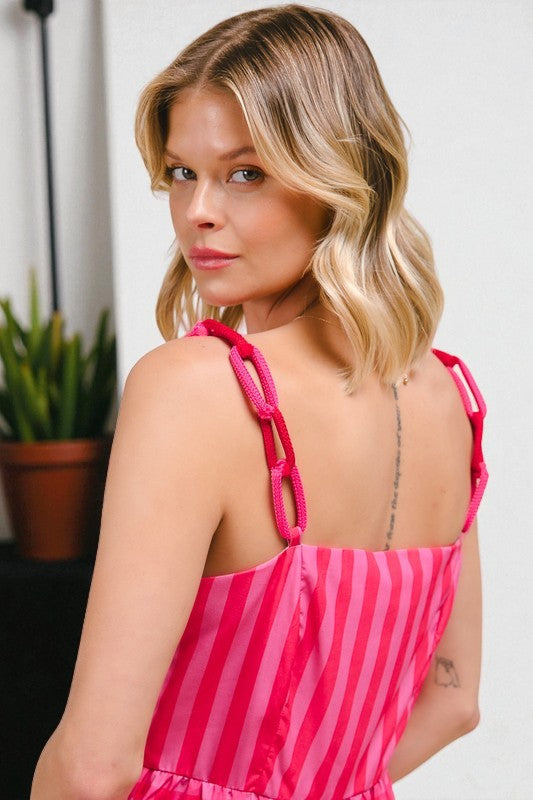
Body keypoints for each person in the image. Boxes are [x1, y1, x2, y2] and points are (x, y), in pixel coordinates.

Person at [30, 4, 488, 799]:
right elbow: (452, 702)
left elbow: (93, 766)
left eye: (245, 172)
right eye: (182, 172)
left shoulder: (196, 389)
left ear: (336, 177)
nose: (197, 210)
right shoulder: (446, 393)